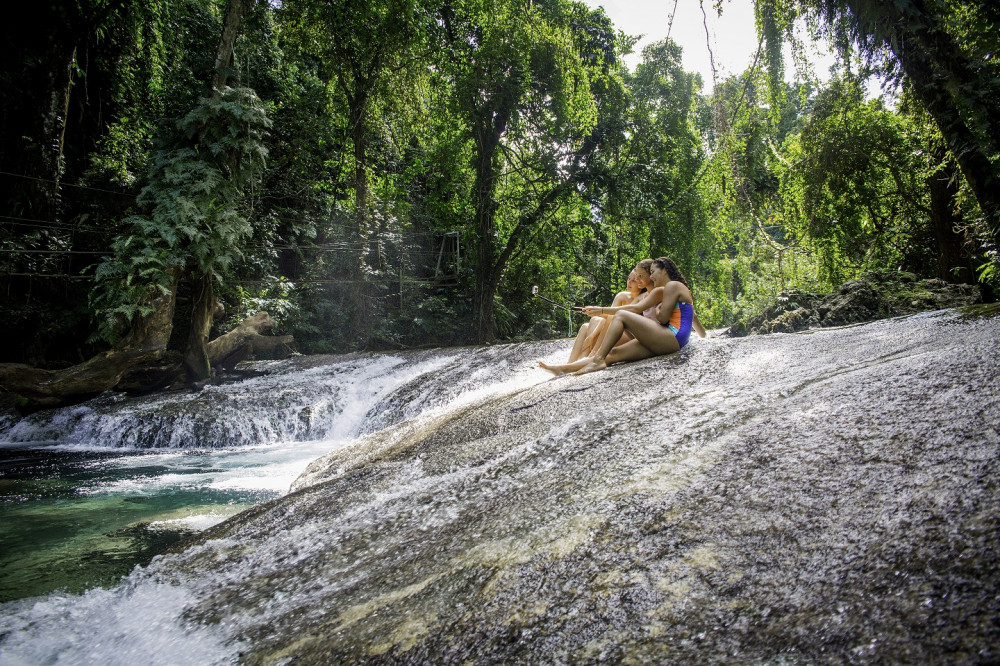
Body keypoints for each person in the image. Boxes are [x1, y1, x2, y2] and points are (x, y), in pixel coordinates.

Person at [540, 257, 706, 376]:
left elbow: (661, 318)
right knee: (612, 354)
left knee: (621, 316)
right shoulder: (675, 289)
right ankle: (563, 369)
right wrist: (704, 337)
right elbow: (694, 319)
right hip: (669, 341)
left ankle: (597, 359)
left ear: (666, 271)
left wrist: (658, 310)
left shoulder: (673, 286)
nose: (652, 277)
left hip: (671, 337)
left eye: (654, 272)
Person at [561, 259, 654, 364]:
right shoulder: (622, 295)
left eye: (635, 279)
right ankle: (571, 363)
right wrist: (592, 310)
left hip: (629, 333)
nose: (630, 282)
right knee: (587, 325)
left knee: (605, 320)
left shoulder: (644, 297)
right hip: (617, 328)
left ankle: (593, 355)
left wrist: (599, 315)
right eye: (629, 279)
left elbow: (617, 315)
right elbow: (608, 315)